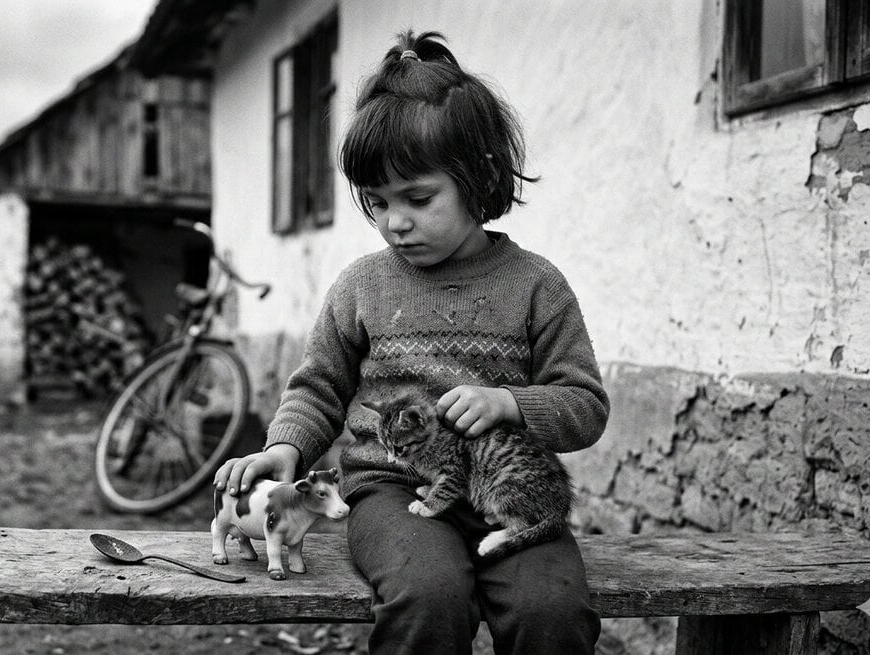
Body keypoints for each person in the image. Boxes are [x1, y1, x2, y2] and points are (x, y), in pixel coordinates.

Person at [214, 30, 608, 655]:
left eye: (419, 198)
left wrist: (511, 403)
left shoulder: (537, 286)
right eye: (377, 202)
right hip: (391, 491)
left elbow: (584, 405)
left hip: (507, 493)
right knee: (428, 594)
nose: (395, 222)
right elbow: (318, 387)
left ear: (479, 177)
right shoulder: (362, 286)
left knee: (552, 610)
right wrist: (285, 448)